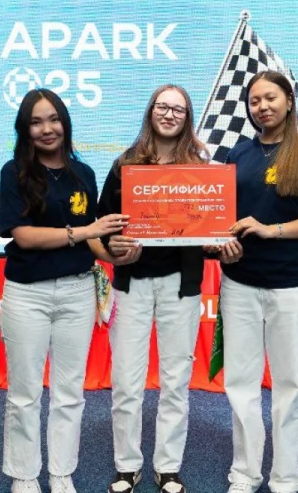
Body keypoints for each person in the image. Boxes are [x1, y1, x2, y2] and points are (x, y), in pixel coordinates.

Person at [0, 88, 138, 493]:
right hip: (28, 294)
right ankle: (24, 475)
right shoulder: (14, 172)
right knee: (24, 393)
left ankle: (61, 472)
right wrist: (85, 231)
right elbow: (23, 236)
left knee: (70, 393)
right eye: (36, 122)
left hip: (78, 293)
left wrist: (118, 255)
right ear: (24, 129)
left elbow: (93, 241)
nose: (47, 129)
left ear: (65, 123)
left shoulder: (84, 174)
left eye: (54, 119)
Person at [212, 71, 298, 493]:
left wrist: (272, 231)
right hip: (239, 284)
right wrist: (221, 245)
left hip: (289, 286)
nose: (262, 106)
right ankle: (244, 474)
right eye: (254, 101)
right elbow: (222, 218)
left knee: (288, 386)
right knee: (240, 385)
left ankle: (285, 478)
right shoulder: (237, 153)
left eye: (270, 98)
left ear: (288, 100)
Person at [97, 85, 208, 493]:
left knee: (176, 381)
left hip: (182, 284)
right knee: (126, 381)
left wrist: (219, 241)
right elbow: (103, 223)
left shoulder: (201, 168)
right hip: (132, 283)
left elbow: (211, 223)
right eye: (163, 106)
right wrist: (114, 246)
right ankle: (127, 466)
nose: (169, 114)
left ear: (187, 117)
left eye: (178, 109)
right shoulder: (125, 164)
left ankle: (168, 467)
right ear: (151, 112)